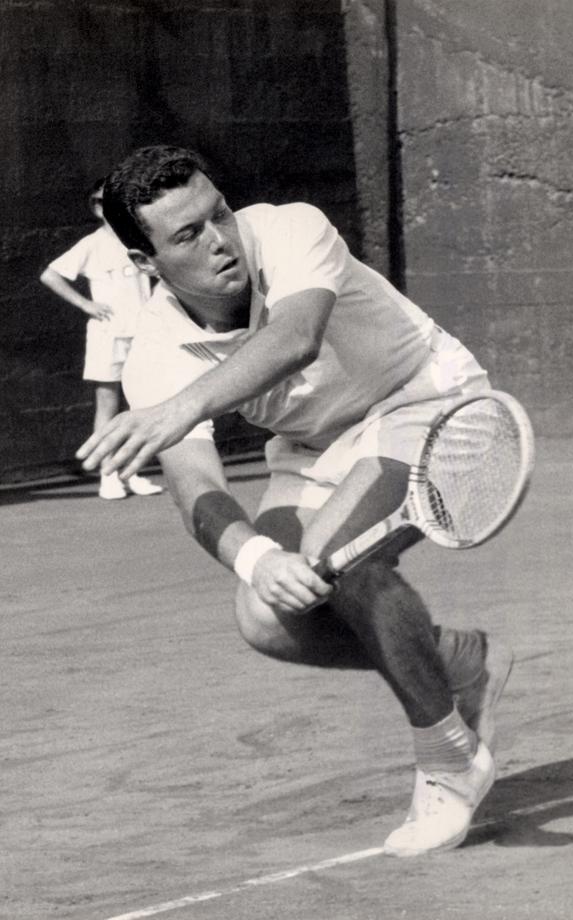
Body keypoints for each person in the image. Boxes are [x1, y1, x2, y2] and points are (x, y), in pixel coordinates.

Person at [77, 145, 514, 856]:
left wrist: (181, 408)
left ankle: (451, 762)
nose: (219, 239)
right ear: (147, 263)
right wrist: (254, 560)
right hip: (316, 449)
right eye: (187, 235)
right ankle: (462, 662)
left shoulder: (289, 229)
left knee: (338, 560)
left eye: (216, 212)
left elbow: (296, 338)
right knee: (267, 617)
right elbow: (196, 487)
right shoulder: (154, 348)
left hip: (426, 401)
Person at [40, 179, 163, 500]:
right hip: (107, 337)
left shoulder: (138, 238)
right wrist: (86, 305)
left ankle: (132, 472)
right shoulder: (90, 245)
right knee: (107, 405)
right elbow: (50, 275)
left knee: (140, 404)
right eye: (102, 203)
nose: (108, 208)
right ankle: (108, 477)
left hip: (142, 335)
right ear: (95, 208)